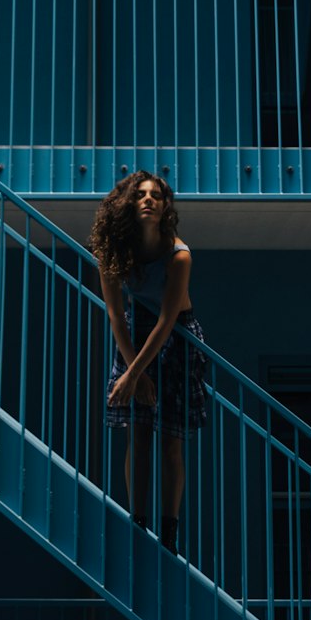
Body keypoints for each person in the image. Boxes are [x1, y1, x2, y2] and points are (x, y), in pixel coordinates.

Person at [88, 171, 206, 554]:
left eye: (157, 195)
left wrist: (135, 374)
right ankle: (138, 523)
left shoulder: (179, 254)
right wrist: (132, 373)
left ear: (165, 206)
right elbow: (115, 316)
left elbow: (169, 319)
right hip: (135, 333)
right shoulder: (112, 251)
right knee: (138, 436)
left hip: (178, 336)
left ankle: (168, 534)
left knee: (171, 441)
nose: (149, 199)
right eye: (140, 194)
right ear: (127, 203)